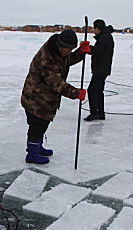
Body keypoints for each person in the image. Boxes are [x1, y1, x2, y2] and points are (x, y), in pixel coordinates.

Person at [21, 29, 89, 164]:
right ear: (60, 45)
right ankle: (32, 153)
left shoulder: (59, 51)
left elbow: (66, 60)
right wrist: (76, 93)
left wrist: (80, 53)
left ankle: (37, 147)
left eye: (72, 49)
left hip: (45, 97)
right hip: (36, 97)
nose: (69, 52)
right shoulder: (47, 57)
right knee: (37, 125)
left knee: (42, 125)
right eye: (67, 49)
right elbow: (56, 83)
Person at [84, 19, 114, 122]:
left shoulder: (104, 38)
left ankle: (94, 113)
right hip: (102, 69)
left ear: (97, 28)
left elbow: (96, 51)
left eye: (94, 29)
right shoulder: (105, 36)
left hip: (101, 69)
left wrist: (87, 48)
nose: (93, 31)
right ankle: (100, 113)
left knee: (92, 90)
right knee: (98, 91)